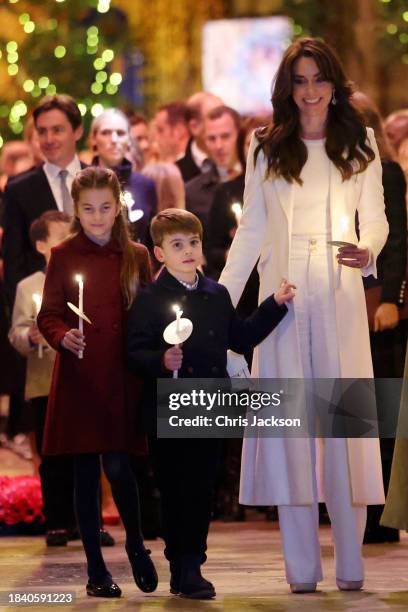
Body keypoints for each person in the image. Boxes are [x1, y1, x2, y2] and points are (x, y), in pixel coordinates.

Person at [219, 38, 388, 593]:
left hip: (339, 292)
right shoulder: (266, 147)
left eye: (319, 79)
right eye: (300, 80)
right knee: (291, 431)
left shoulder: (359, 142)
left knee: (345, 432)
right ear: (287, 89)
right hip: (285, 298)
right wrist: (217, 302)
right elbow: (251, 232)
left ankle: (351, 564)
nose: (311, 91)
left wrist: (369, 253)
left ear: (335, 84)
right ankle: (300, 571)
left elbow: (378, 218)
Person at [126, 208, 294, 599]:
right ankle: (179, 562)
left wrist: (274, 303)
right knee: (174, 487)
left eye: (194, 243)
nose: (188, 251)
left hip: (210, 402)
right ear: (160, 253)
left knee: (202, 488)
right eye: (177, 245)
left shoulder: (216, 295)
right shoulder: (150, 300)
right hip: (169, 405)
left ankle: (193, 565)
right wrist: (160, 360)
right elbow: (134, 352)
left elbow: (241, 337)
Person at [37, 167, 158, 598]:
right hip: (81, 377)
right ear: (76, 209)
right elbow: (49, 313)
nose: (98, 216)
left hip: (121, 377)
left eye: (106, 207)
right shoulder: (64, 255)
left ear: (119, 205)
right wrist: (61, 335)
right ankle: (95, 569)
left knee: (122, 467)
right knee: (85, 473)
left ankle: (137, 545)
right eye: (88, 209)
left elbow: (150, 312)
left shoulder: (137, 255)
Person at [351, 92, 407, 544]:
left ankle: (382, 513)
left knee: (382, 409)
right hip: (344, 299)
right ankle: (356, 506)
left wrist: (391, 298)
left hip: (376, 304)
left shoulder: (386, 172)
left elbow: (398, 244)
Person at [8, 211, 78, 546]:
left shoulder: (81, 278)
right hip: (43, 378)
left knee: (85, 451)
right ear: (41, 245)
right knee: (51, 456)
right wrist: (31, 336)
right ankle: (57, 522)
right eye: (60, 236)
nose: (68, 241)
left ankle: (88, 522)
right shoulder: (28, 286)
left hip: (81, 377)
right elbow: (16, 331)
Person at [2, 94, 85, 307]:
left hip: (98, 302)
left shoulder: (101, 179)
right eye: (42, 131)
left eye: (57, 130)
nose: (48, 140)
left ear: (77, 131)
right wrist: (26, 313)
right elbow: (14, 262)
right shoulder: (18, 189)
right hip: (45, 307)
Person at [89, 108, 157, 246]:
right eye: (106, 133)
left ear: (129, 141)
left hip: (137, 264)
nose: (114, 140)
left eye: (120, 133)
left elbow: (152, 240)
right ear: (94, 140)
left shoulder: (145, 185)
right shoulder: (81, 183)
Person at [185, 105, 242, 262]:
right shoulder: (192, 192)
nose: (219, 146)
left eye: (225, 136)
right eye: (212, 138)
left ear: (240, 134)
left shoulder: (259, 182)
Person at [176, 92, 224, 183]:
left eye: (225, 114)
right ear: (194, 127)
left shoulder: (241, 163)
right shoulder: (177, 174)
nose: (224, 122)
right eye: (215, 117)